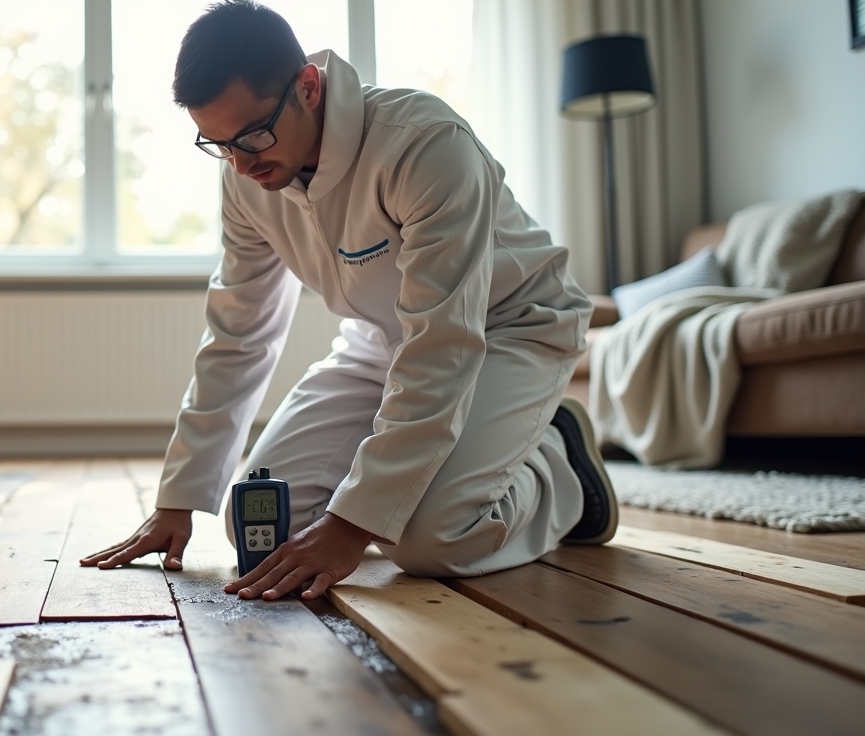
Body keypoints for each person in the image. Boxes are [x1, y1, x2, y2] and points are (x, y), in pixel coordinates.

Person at [80, 0, 618, 601]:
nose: (241, 163)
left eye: (253, 135)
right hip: (377, 344)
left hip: (508, 329)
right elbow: (238, 335)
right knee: (261, 521)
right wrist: (177, 501)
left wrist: (351, 525)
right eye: (218, 143)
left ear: (307, 86)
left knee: (427, 541)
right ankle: (477, 454)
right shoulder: (246, 177)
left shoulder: (425, 144)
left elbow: (444, 341)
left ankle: (555, 463)